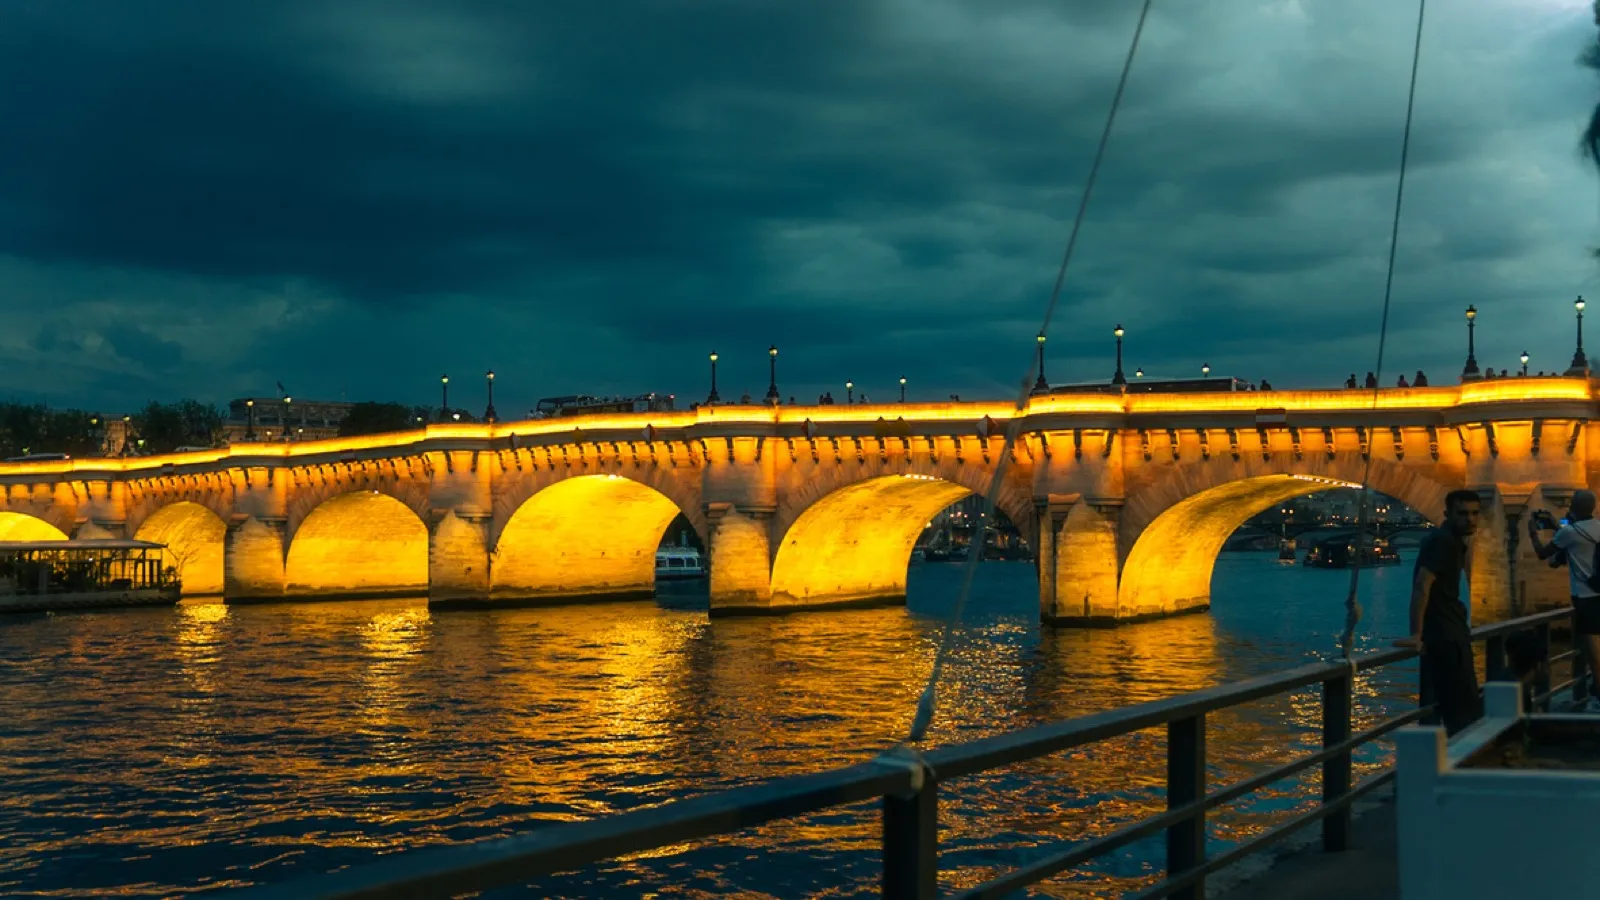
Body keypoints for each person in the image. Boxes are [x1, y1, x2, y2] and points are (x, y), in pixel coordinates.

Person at [1396, 489, 1483, 734]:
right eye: (1463, 513)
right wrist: (1416, 634)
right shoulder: (1443, 541)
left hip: (1453, 632)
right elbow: (1422, 585)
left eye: (1475, 513)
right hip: (1446, 636)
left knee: (1460, 707)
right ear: (1447, 513)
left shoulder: (1451, 541)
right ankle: (1462, 764)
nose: (1470, 519)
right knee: (1461, 710)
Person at [1527, 490, 1600, 712]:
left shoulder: (1569, 532)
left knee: (1593, 651)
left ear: (1573, 506)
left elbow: (1543, 553)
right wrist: (1556, 525)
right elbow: (1576, 542)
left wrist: (1533, 533)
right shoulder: (1596, 527)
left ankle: (1598, 695)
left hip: (1586, 597)